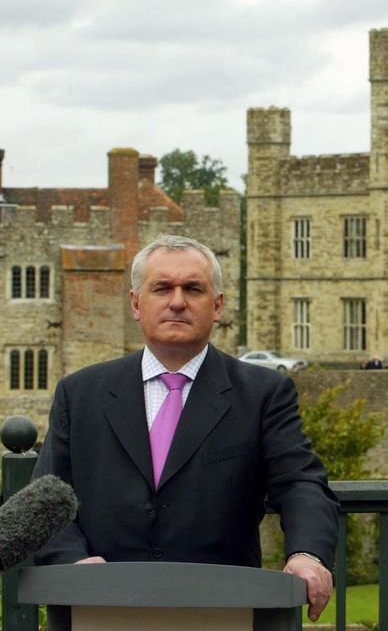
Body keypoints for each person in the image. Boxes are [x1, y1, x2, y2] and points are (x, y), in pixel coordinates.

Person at [34, 235, 339, 621]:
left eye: (193, 288)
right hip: (97, 607)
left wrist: (307, 555)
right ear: (135, 304)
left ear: (217, 306)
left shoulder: (263, 394)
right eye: (162, 287)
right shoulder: (80, 394)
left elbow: (300, 483)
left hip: (222, 611)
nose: (177, 300)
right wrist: (73, 562)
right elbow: (47, 499)